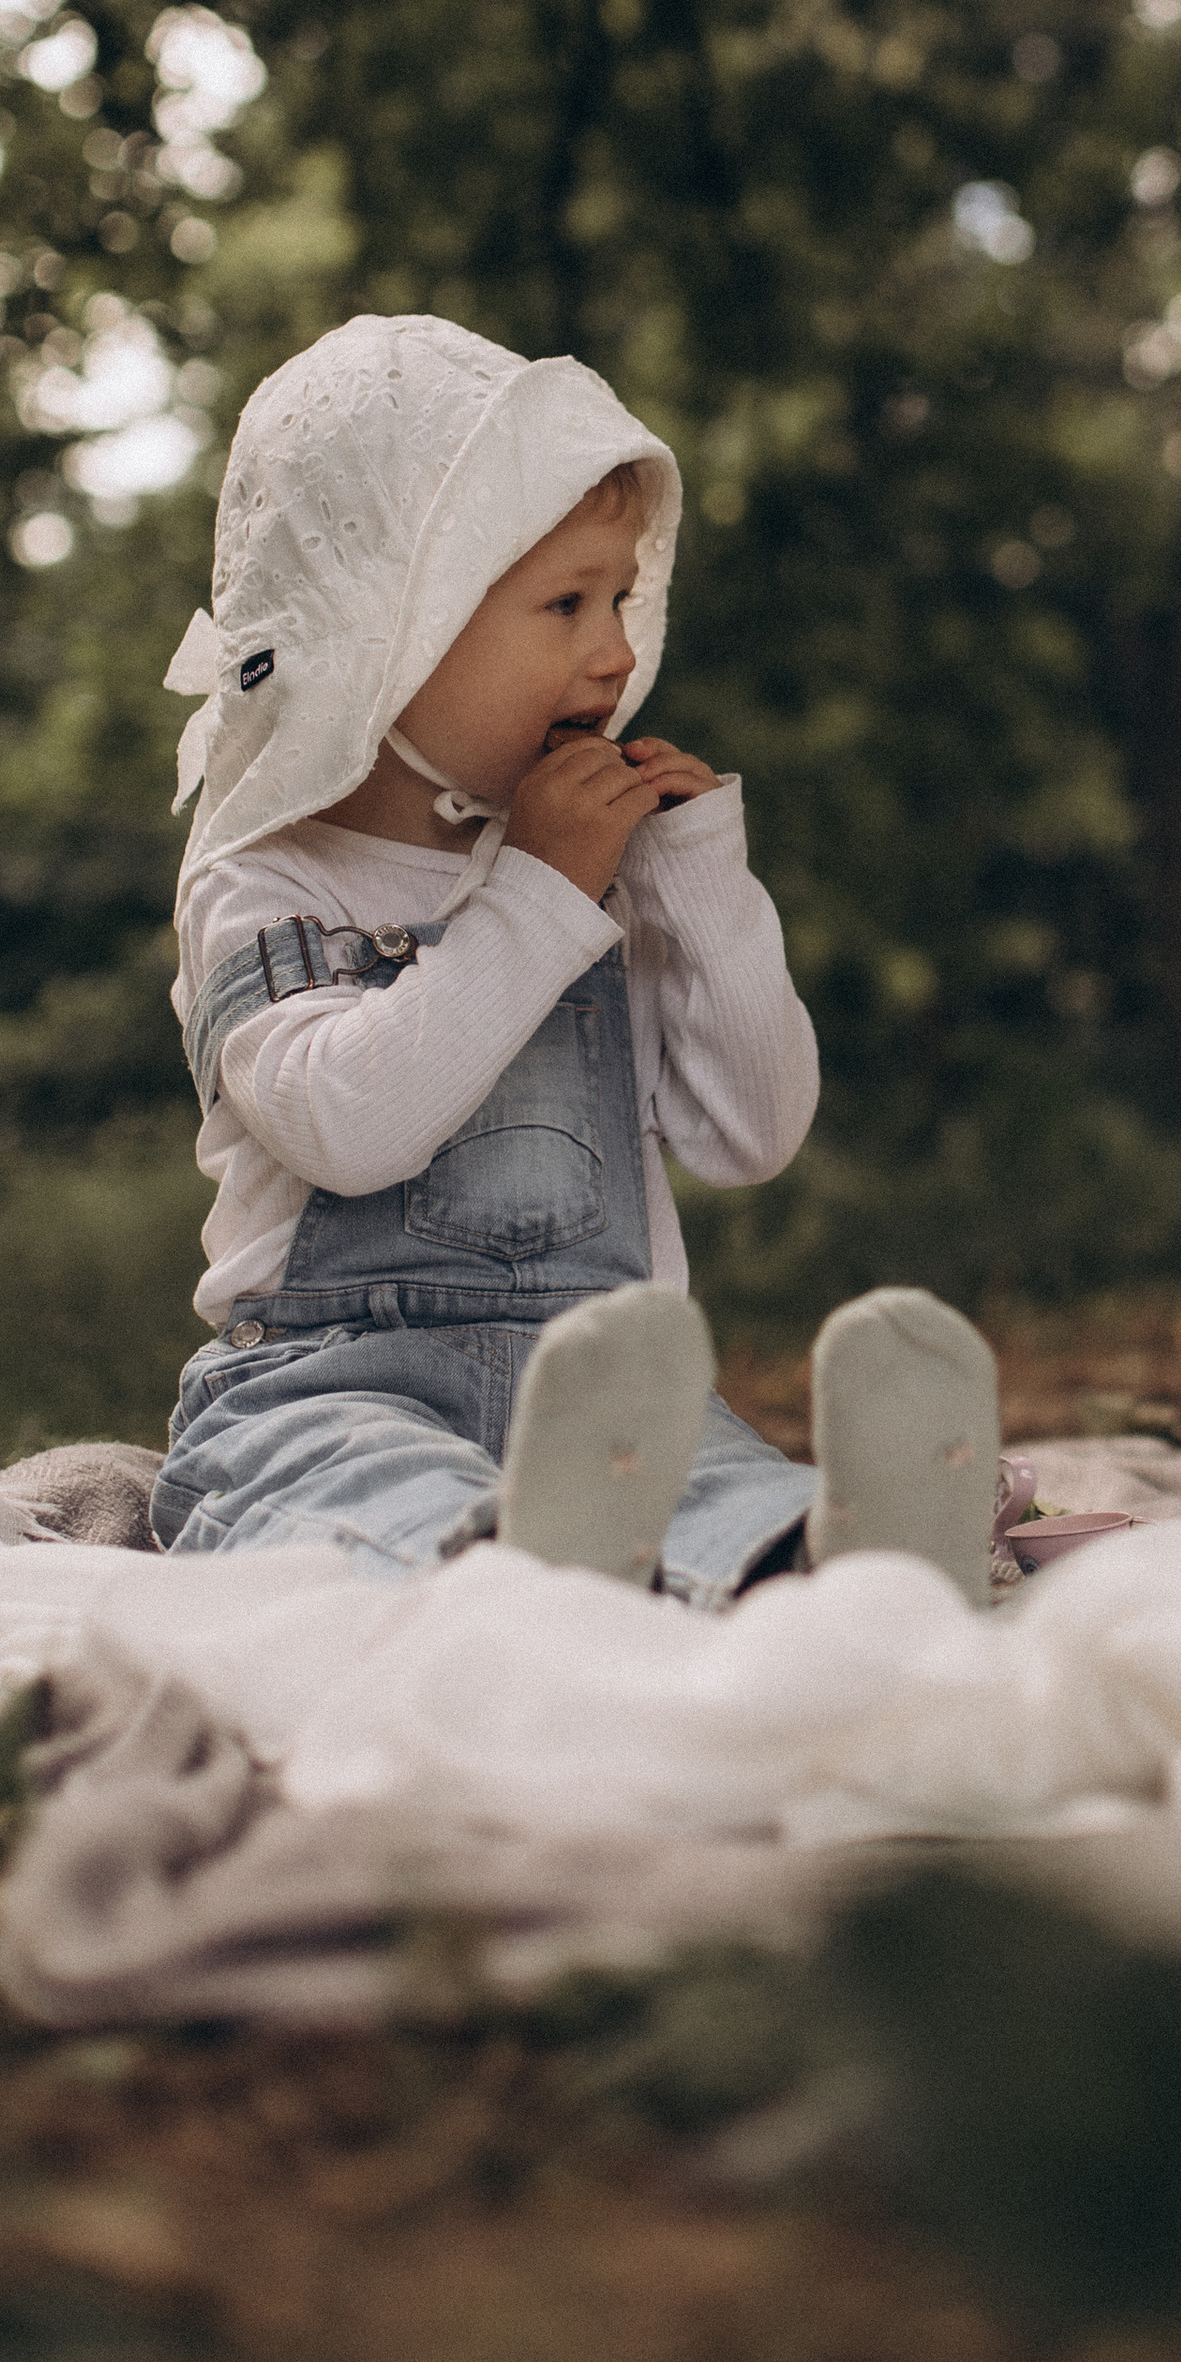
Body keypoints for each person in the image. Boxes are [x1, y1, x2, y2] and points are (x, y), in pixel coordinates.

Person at [152, 312, 999, 1608]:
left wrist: (702, 885)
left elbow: (751, 1134)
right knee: (353, 1494)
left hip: (612, 1390)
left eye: (618, 596)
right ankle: (508, 1578)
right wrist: (544, 893)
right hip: (327, 1388)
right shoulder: (260, 881)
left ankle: (835, 1564)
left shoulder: (594, 862)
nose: (615, 650)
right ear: (391, 626)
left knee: (717, 1485)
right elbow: (349, 1123)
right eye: (564, 603)